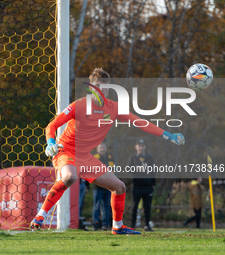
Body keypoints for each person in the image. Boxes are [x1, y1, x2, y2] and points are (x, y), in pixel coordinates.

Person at [30, 67, 185, 234]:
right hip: (66, 152)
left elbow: (140, 122)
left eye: (105, 86)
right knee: (70, 176)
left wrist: (167, 134)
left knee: (119, 187)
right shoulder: (79, 105)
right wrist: (50, 142)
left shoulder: (114, 108)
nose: (101, 90)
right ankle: (40, 216)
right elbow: (52, 125)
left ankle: (117, 227)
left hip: (86, 157)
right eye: (97, 86)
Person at [128, 139, 156, 232]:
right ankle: (132, 225)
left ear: (145, 147)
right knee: (134, 206)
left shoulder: (149, 157)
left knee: (147, 206)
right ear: (136, 147)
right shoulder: (132, 158)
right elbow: (128, 169)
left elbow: (153, 171)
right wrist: (137, 169)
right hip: (136, 186)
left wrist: (153, 184)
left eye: (142, 145)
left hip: (147, 186)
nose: (141, 147)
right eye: (139, 145)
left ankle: (147, 225)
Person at [92, 142, 114, 231]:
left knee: (106, 206)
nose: (102, 149)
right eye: (100, 148)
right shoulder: (94, 158)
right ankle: (96, 224)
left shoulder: (110, 158)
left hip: (107, 186)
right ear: (97, 149)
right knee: (96, 206)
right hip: (97, 187)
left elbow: (112, 171)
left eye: (103, 147)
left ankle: (105, 225)